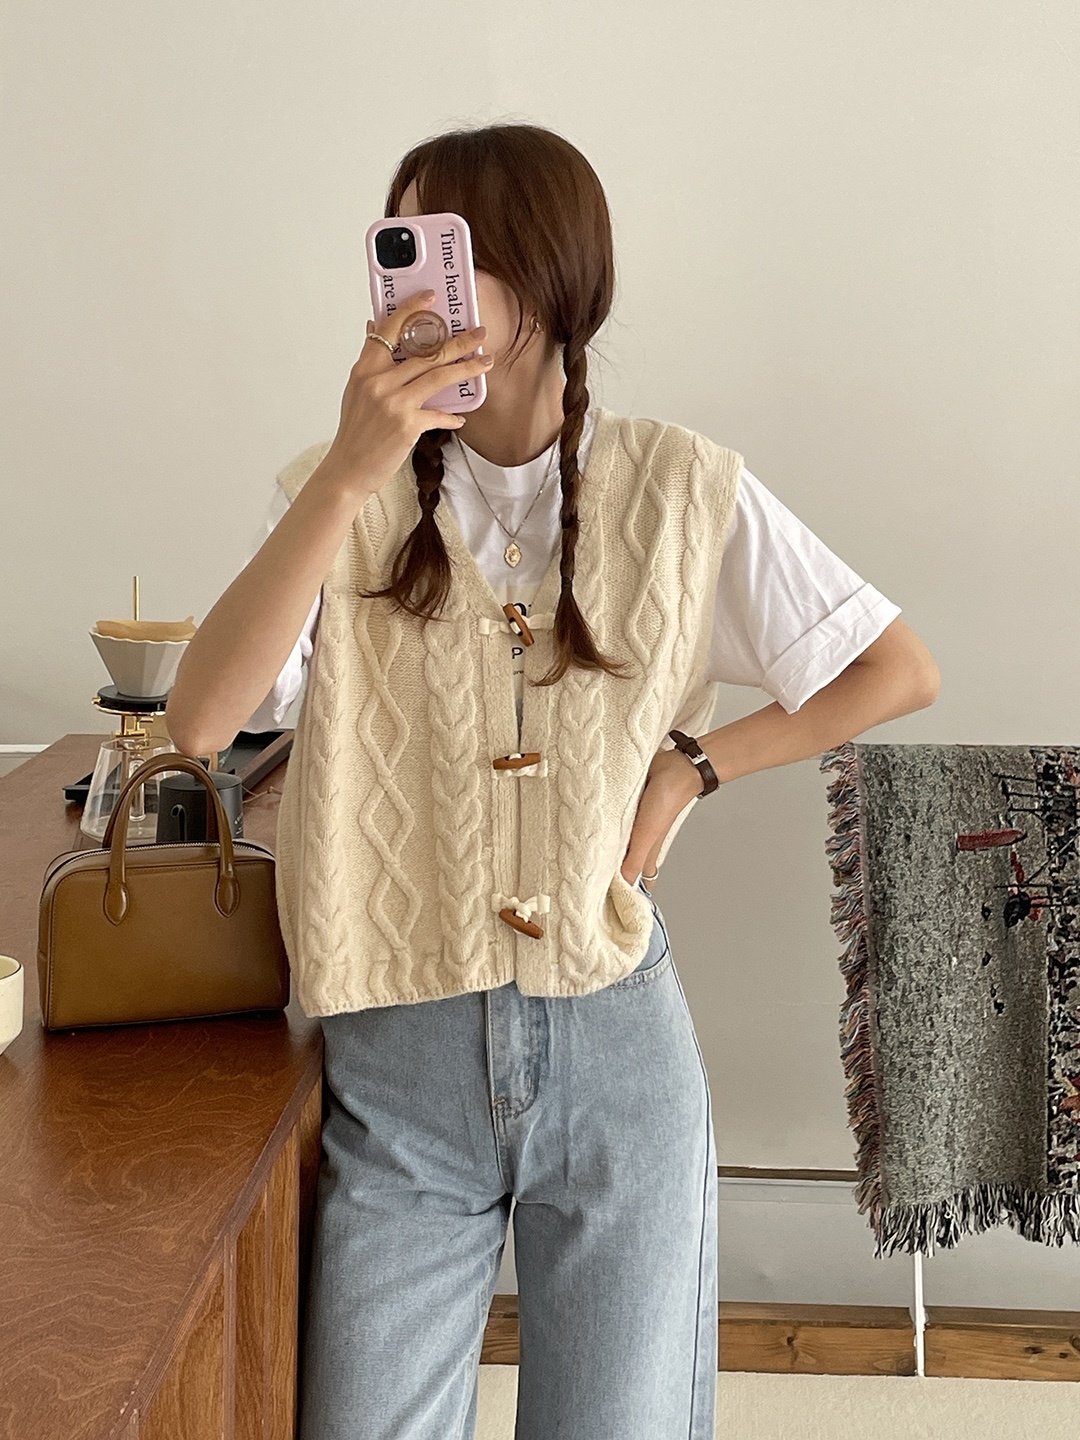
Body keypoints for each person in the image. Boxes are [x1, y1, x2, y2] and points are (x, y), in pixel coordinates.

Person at [168, 121, 938, 1440]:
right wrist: (349, 470)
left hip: (616, 1048)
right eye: (399, 247)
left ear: (545, 276)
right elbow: (201, 721)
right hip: (397, 1066)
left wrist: (692, 767)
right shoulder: (341, 494)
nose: (413, 285)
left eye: (448, 250)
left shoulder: (679, 486)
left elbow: (895, 669)